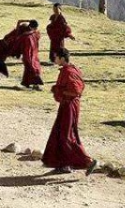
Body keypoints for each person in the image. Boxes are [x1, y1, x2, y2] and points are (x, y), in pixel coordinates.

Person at [42, 47, 98, 175]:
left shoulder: (68, 72)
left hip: (69, 105)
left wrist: (57, 90)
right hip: (67, 104)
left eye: (56, 57)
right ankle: (64, 164)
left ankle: (88, 161)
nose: (54, 59)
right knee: (60, 133)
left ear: (62, 58)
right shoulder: (73, 69)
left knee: (66, 136)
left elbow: (75, 91)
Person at [19, 19, 43, 90]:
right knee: (34, 69)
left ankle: (26, 83)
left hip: (33, 54)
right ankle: (36, 85)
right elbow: (27, 48)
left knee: (29, 70)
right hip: (29, 55)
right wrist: (28, 58)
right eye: (35, 28)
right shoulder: (27, 36)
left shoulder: (33, 33)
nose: (36, 29)